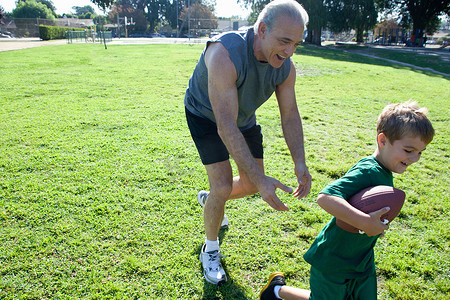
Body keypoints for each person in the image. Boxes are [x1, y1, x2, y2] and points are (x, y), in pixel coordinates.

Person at [184, 0, 311, 285]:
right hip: (205, 115)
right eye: (284, 41)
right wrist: (262, 178)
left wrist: (299, 161)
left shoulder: (285, 67)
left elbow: (289, 113)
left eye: (297, 44)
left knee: (251, 184)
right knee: (224, 184)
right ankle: (211, 248)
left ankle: (211, 201)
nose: (290, 51)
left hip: (243, 117)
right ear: (262, 29)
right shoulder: (224, 53)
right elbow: (224, 124)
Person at [260, 101, 435, 299]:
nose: (415, 158)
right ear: (383, 141)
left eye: (420, 152)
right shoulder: (368, 170)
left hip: (361, 259)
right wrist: (365, 222)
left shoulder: (386, 170)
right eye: (408, 150)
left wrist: (373, 224)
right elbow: (325, 197)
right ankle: (276, 291)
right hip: (334, 260)